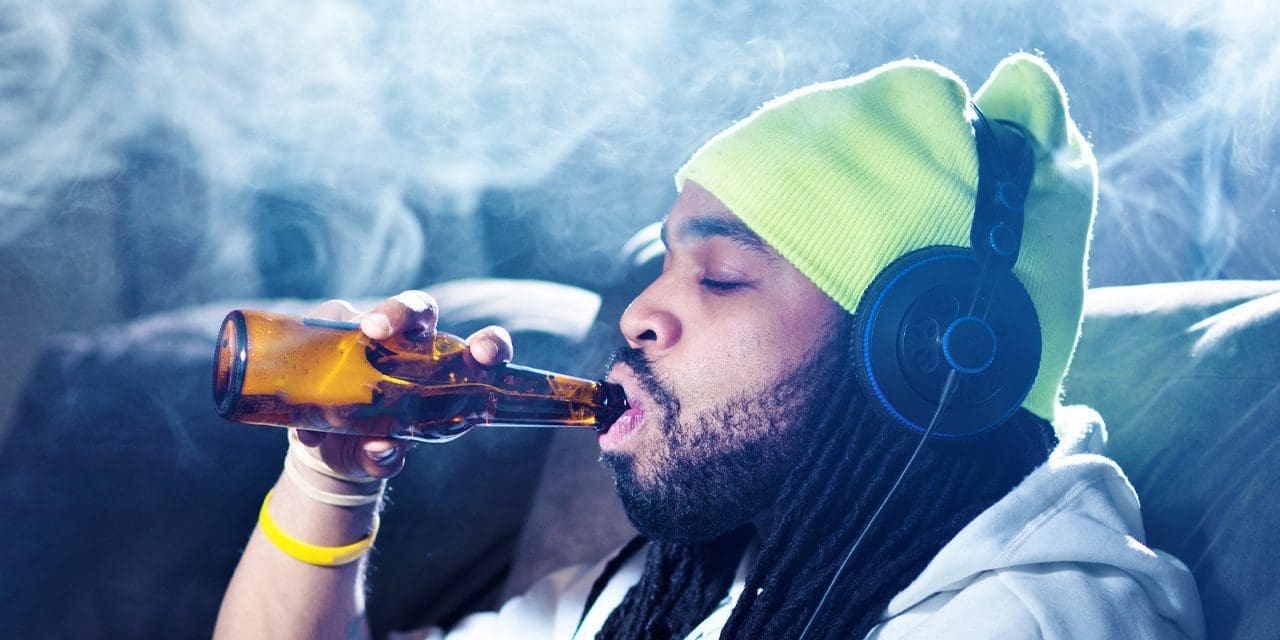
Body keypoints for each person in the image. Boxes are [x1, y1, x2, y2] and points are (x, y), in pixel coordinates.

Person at [214, 54, 1205, 639]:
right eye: (658, 266)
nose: (638, 314)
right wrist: (331, 475)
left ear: (928, 354)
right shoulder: (694, 584)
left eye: (719, 275)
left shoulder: (1028, 619)